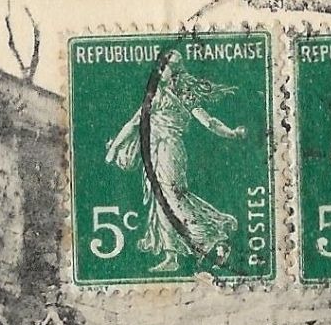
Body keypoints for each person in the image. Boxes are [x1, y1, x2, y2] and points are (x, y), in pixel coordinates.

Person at [106, 52, 247, 273]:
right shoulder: (153, 95)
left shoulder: (184, 94)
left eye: (166, 66)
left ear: (177, 68)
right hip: (152, 151)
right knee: (160, 199)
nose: (161, 71)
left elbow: (208, 121)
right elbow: (134, 123)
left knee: (173, 196)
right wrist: (115, 148)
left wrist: (231, 133)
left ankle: (213, 240)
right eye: (160, 67)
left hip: (170, 149)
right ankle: (172, 255)